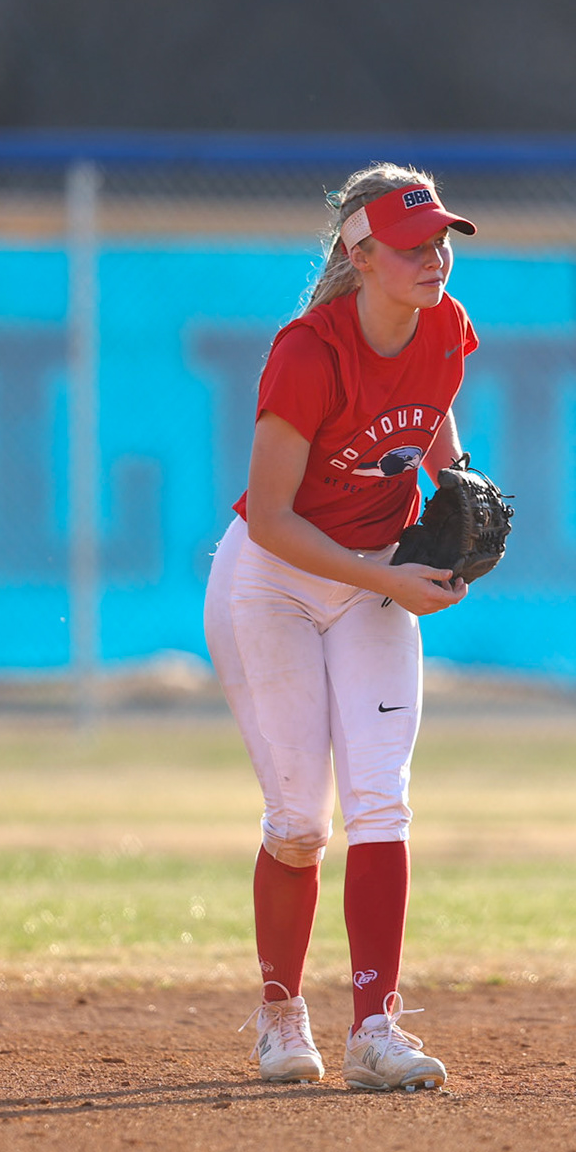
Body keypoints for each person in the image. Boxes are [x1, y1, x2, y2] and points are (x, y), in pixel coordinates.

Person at [205, 163, 479, 1092]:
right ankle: (282, 1014)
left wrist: (453, 479)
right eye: (410, 245)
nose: (431, 257)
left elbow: (432, 407)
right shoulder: (308, 352)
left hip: (372, 582)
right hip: (273, 585)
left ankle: (375, 1028)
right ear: (360, 255)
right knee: (297, 823)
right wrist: (381, 575)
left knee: (381, 804)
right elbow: (274, 519)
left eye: (438, 238)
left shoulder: (444, 325)